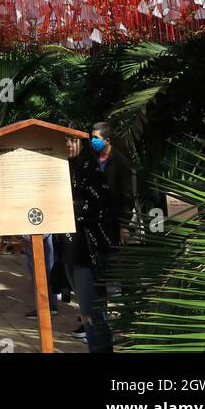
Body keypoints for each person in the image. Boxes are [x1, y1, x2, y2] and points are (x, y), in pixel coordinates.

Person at [63, 124, 134, 353]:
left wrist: (124, 225)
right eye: (64, 140)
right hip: (70, 246)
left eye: (73, 140)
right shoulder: (67, 167)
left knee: (93, 308)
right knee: (88, 307)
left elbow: (112, 201)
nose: (68, 145)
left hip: (92, 246)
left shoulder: (93, 167)